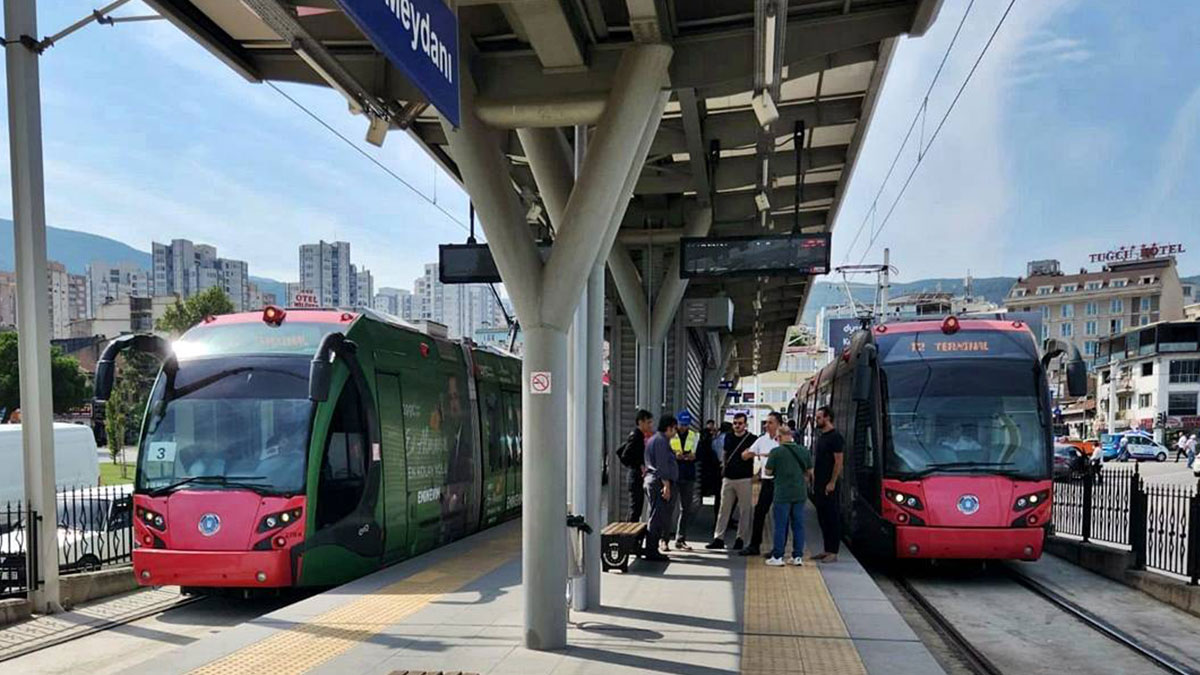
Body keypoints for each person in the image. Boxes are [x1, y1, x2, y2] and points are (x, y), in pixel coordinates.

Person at [706, 413, 757, 550]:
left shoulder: (752, 439)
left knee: (744, 510)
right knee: (723, 509)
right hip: (728, 478)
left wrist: (756, 474)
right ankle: (718, 538)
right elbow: (725, 452)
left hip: (745, 479)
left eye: (740, 423)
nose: (737, 426)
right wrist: (723, 466)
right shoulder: (728, 437)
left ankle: (740, 539)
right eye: (735, 423)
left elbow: (759, 455)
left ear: (745, 424)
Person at [764, 425, 813, 566]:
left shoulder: (776, 452)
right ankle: (797, 557)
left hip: (782, 494)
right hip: (799, 494)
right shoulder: (804, 451)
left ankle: (778, 557)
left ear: (779, 437)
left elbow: (768, 472)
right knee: (798, 525)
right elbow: (810, 471)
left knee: (780, 525)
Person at [739, 411, 782, 557]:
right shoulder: (762, 440)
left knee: (780, 515)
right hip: (767, 481)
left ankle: (778, 549)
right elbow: (745, 455)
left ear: (778, 424)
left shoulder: (784, 440)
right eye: (766, 422)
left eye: (770, 422)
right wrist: (750, 453)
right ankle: (754, 545)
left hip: (781, 482)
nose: (766, 425)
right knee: (759, 512)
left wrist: (769, 456)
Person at [810, 406, 844, 563]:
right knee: (822, 517)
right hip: (819, 483)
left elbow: (838, 461)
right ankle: (827, 549)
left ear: (828, 418)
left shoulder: (835, 437)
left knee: (831, 517)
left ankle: (833, 551)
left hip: (828, 484)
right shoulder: (821, 436)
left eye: (819, 418)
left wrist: (832, 482)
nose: (816, 420)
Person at [643, 415, 679, 562]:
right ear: (669, 428)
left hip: (655, 481)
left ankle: (652, 548)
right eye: (674, 428)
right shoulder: (660, 441)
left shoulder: (657, 440)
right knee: (657, 516)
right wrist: (666, 486)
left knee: (656, 514)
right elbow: (662, 465)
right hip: (658, 483)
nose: (675, 432)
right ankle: (651, 550)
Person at [667, 411, 700, 550]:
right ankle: (664, 538)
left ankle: (681, 539)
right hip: (674, 475)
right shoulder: (671, 435)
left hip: (688, 475)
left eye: (686, 425)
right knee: (668, 507)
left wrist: (694, 456)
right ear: (677, 423)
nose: (683, 427)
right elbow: (666, 453)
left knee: (686, 509)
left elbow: (700, 454)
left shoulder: (694, 436)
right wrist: (675, 455)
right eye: (681, 424)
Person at [617, 409, 654, 521]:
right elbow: (624, 455)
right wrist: (638, 465)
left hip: (638, 475)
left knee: (637, 507)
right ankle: (630, 536)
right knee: (635, 508)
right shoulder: (636, 436)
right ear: (640, 422)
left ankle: (633, 535)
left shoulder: (640, 436)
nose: (650, 425)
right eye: (648, 422)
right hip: (635, 476)